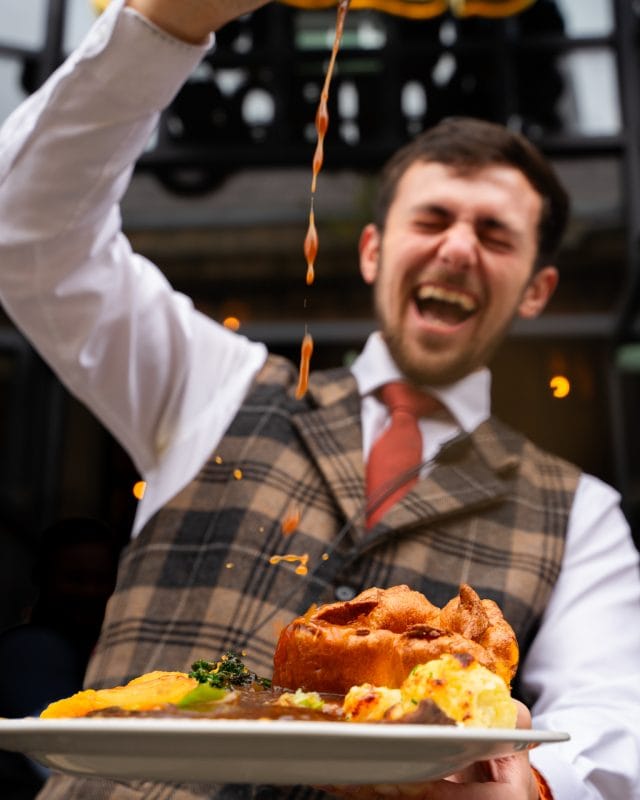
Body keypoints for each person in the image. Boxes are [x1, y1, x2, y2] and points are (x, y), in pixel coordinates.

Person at [0, 1, 638, 799]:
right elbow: (28, 238)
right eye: (433, 218)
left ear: (538, 289)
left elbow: (614, 728)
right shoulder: (210, 381)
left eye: (496, 234)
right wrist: (164, 23)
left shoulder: (584, 514)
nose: (457, 247)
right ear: (373, 251)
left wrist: (533, 788)